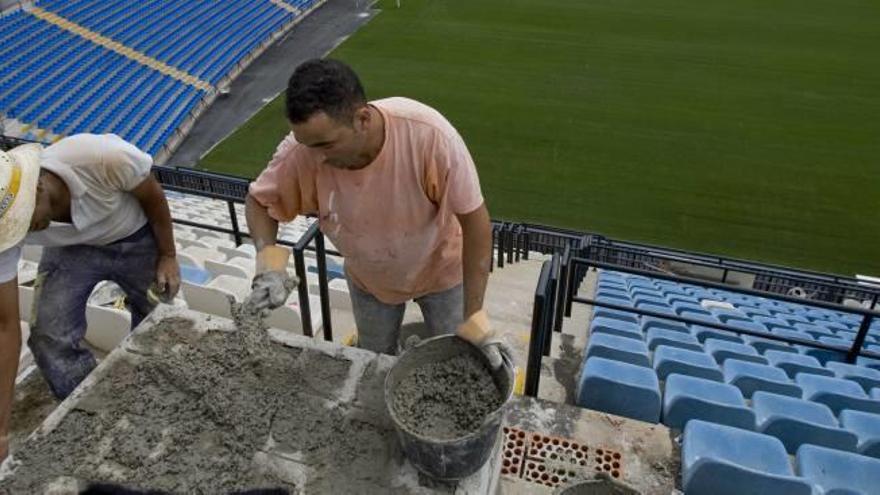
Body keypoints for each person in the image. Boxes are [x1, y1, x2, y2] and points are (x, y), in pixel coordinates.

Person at [245, 58, 512, 366]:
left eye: (326, 145)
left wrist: (475, 318)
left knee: (458, 358)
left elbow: (476, 222)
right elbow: (260, 203)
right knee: (373, 360)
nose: (316, 158)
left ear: (362, 119)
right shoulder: (303, 151)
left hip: (442, 269)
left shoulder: (429, 135)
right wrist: (270, 266)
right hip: (369, 280)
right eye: (308, 146)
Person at [0, 134, 180, 462]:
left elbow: (153, 196)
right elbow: (5, 327)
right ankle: (91, 410)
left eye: (24, 219)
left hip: (133, 235)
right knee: (47, 335)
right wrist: (0, 431)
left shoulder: (101, 156)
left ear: (37, 186)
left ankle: (155, 389)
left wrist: (167, 254)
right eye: (15, 228)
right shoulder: (6, 229)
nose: (24, 231)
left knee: (159, 313)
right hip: (69, 251)